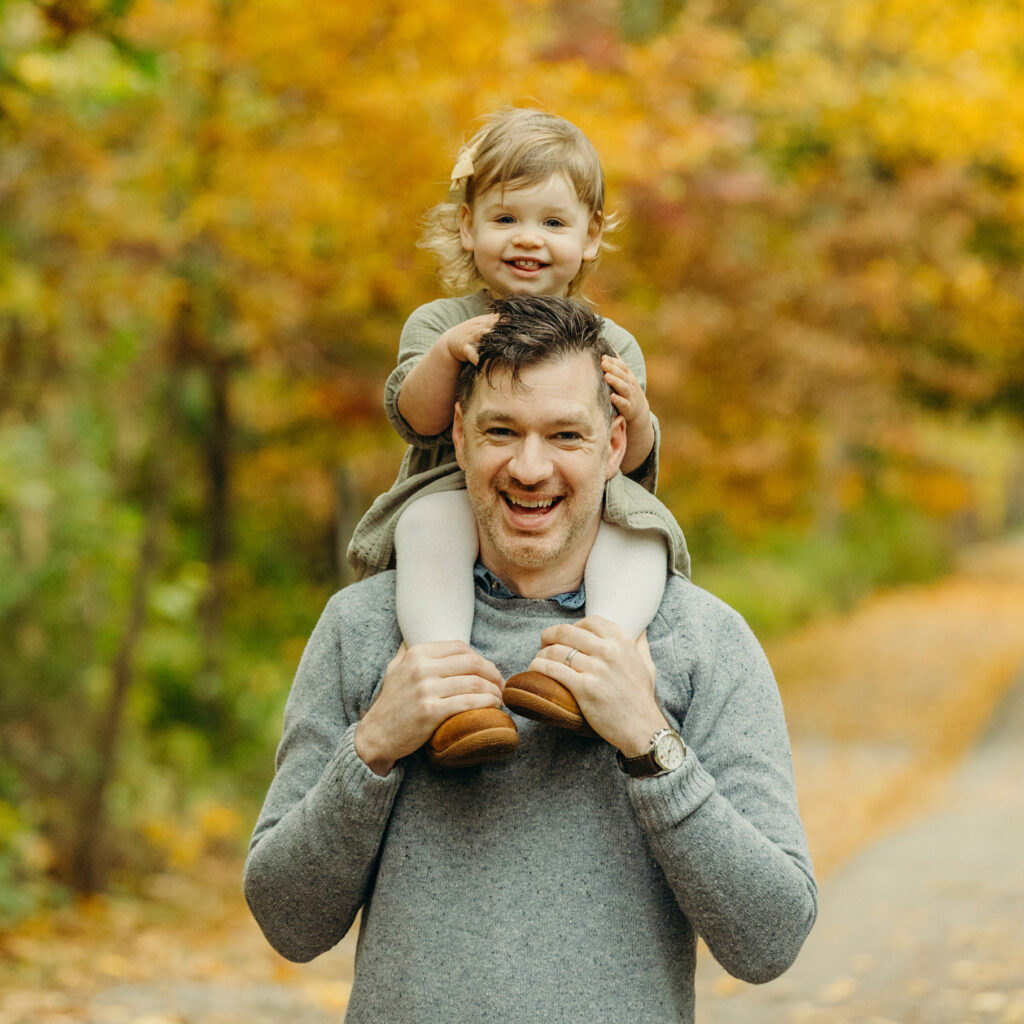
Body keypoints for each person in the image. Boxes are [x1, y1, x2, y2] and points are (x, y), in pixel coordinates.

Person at [245, 295, 818, 1024]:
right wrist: (373, 747)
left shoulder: (702, 640)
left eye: (566, 435)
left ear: (615, 447)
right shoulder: (364, 627)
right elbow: (288, 922)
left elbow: (770, 940)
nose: (529, 466)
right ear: (457, 435)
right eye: (500, 431)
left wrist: (650, 743)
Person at [347, 108, 689, 766]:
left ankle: (594, 663)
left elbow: (632, 459)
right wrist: (447, 356)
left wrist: (639, 416)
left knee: (641, 533)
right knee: (429, 524)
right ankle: (455, 695)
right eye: (505, 219)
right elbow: (416, 420)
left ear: (589, 237)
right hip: (456, 490)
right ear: (467, 227)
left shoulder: (613, 342)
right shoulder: (441, 321)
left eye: (552, 223)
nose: (526, 239)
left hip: (578, 500)